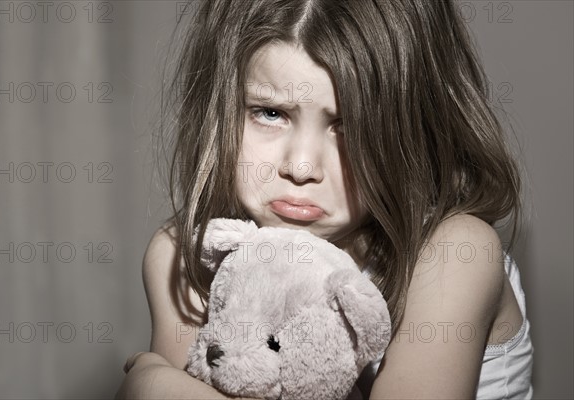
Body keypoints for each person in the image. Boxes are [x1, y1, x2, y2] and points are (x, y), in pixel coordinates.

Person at [116, 0, 533, 398]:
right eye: (270, 113)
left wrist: (153, 386)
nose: (300, 167)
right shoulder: (189, 257)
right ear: (220, 109)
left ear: (415, 128)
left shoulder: (455, 252)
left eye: (348, 125)